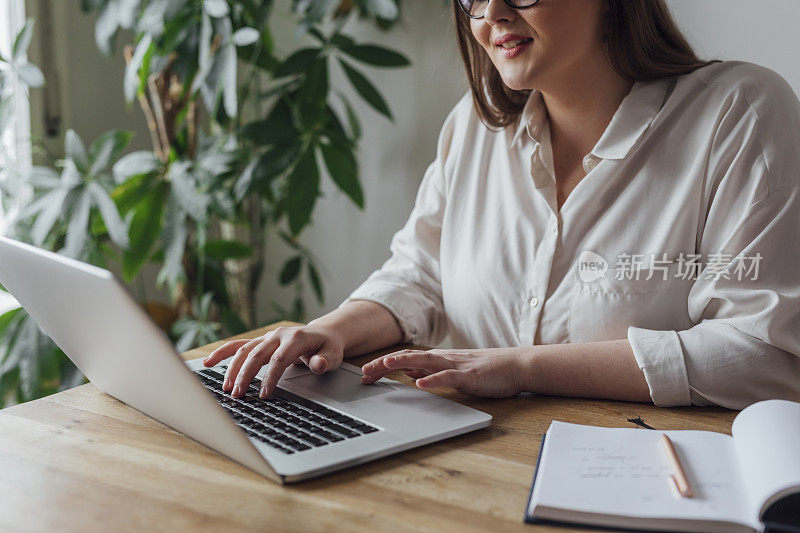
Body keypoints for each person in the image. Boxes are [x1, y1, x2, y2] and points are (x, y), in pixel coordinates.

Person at [204, 0, 800, 410]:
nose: (491, 14)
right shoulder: (472, 127)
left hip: (642, 476)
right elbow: (420, 276)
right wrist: (325, 330)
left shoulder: (740, 114)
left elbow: (762, 352)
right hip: (464, 466)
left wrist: (521, 366)